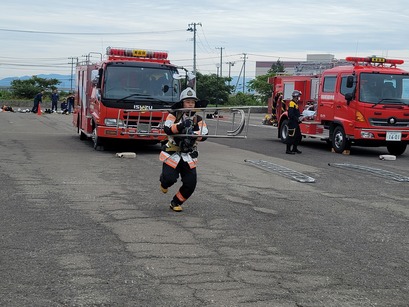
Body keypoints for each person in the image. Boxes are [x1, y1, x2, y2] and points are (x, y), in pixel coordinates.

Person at [159, 87, 208, 212]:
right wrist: (181, 126)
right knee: (169, 179)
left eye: (192, 102)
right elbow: (167, 129)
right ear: (182, 103)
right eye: (187, 101)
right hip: (172, 153)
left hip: (188, 155)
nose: (190, 104)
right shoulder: (173, 115)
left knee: (191, 183)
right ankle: (164, 183)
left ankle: (176, 202)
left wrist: (192, 133)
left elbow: (204, 134)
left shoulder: (198, 119)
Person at [286, 90, 302, 154]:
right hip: (292, 123)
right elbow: (291, 114)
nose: (299, 97)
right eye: (298, 96)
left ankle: (294, 149)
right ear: (295, 96)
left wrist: (301, 116)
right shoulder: (292, 103)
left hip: (295, 123)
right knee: (291, 136)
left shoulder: (295, 103)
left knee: (298, 136)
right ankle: (288, 150)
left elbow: (296, 113)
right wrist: (297, 119)